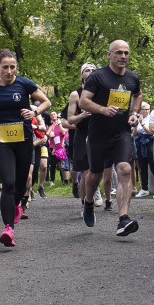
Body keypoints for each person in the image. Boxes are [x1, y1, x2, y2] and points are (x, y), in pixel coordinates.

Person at [0, 49, 51, 247]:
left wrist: (33, 111)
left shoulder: (24, 84)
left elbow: (46, 102)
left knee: (21, 183)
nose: (9, 71)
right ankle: (8, 229)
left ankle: (16, 204)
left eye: (12, 67)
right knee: (7, 182)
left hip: (24, 140)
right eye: (5, 67)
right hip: (3, 141)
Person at [79, 39, 142, 236]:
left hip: (121, 132)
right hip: (98, 133)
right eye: (119, 53)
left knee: (124, 169)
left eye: (126, 53)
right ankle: (88, 203)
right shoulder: (98, 77)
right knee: (95, 174)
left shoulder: (132, 78)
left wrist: (134, 113)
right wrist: (103, 110)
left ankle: (123, 219)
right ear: (109, 55)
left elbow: (138, 95)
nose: (123, 56)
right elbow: (84, 101)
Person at [67, 62, 95, 215]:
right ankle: (85, 203)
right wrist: (82, 115)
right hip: (82, 134)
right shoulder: (75, 94)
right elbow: (69, 120)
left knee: (97, 170)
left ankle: (93, 193)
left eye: (93, 70)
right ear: (81, 75)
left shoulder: (101, 92)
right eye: (87, 70)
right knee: (85, 172)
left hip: (98, 134)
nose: (90, 72)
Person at [132, 101, 154, 198]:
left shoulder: (150, 118)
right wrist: (137, 123)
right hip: (140, 143)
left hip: (149, 142)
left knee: (153, 165)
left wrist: (141, 122)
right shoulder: (138, 119)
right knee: (142, 167)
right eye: (144, 109)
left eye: (148, 109)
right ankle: (144, 188)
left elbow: (149, 131)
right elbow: (134, 133)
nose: (147, 111)